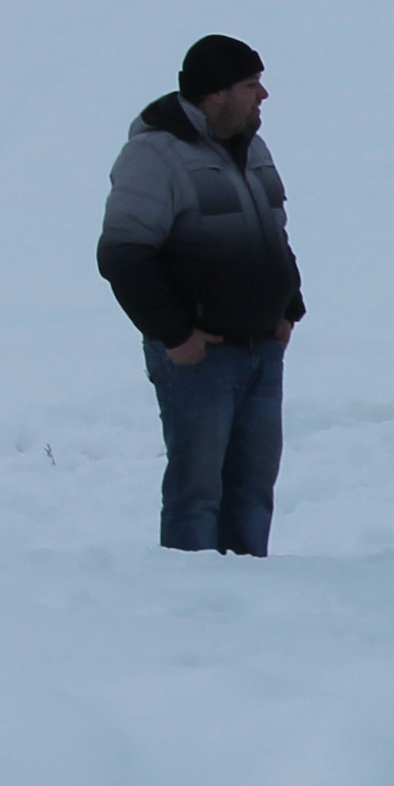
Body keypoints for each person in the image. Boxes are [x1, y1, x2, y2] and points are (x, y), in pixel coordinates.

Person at [97, 35, 304, 556]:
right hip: (200, 358)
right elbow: (122, 255)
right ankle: (191, 593)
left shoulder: (253, 148)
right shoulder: (154, 156)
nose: (263, 95)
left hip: (262, 349)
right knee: (197, 493)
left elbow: (273, 234)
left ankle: (247, 587)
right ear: (214, 93)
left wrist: (288, 309)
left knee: (253, 490)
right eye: (251, 84)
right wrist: (176, 335)